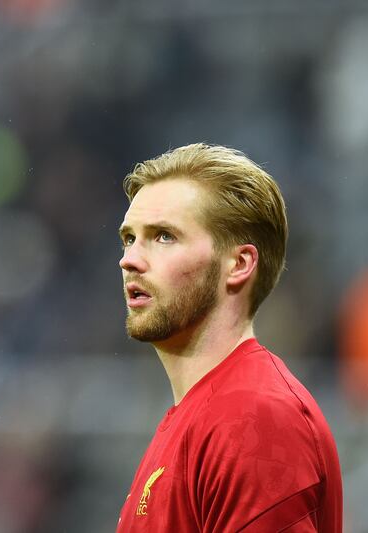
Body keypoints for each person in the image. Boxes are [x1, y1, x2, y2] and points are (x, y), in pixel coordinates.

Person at [114, 144, 342, 532]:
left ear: (238, 264)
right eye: (129, 238)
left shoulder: (255, 418)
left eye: (164, 236)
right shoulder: (204, 415)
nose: (130, 259)